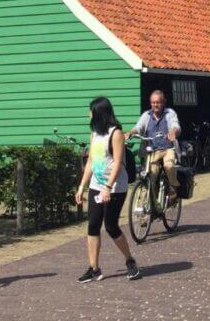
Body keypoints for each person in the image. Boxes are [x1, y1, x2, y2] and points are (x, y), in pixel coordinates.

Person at [75, 97, 140, 282]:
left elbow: (118, 163)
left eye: (91, 111)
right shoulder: (94, 134)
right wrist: (82, 186)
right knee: (93, 225)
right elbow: (90, 161)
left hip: (115, 187)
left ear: (99, 113)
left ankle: (130, 260)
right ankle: (94, 268)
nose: (88, 114)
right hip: (96, 185)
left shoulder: (116, 133)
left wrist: (108, 187)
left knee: (111, 226)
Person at [126, 90, 181, 203]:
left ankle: (173, 188)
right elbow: (139, 127)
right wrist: (131, 133)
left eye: (158, 102)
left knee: (169, 166)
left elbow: (176, 125)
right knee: (150, 176)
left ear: (163, 102)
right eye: (153, 102)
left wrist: (174, 132)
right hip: (152, 151)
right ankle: (151, 205)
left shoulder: (169, 113)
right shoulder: (147, 116)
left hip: (168, 148)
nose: (155, 105)